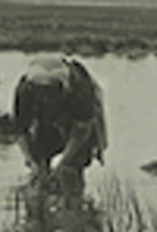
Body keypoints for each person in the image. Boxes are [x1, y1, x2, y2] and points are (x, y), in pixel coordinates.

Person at [12, 56, 107, 189]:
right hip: (44, 118)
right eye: (41, 93)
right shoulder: (24, 91)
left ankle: (74, 199)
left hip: (76, 114)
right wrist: (31, 161)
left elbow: (82, 131)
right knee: (39, 159)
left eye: (50, 93)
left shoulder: (80, 89)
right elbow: (20, 130)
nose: (46, 99)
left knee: (74, 165)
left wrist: (63, 161)